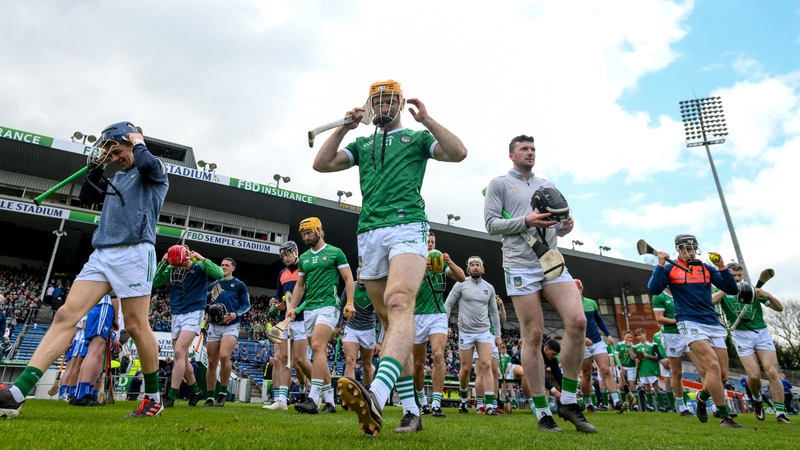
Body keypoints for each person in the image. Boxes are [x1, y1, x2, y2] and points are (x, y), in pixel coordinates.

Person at [312, 79, 468, 436]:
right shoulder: (362, 142)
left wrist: (427, 119)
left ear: (399, 105)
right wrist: (343, 128)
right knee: (390, 323)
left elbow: (458, 152)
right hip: (368, 231)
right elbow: (321, 164)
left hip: (407, 225)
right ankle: (411, 412)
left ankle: (377, 395)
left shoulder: (415, 139)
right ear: (370, 107)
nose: (383, 107)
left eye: (389, 101)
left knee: (400, 303)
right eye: (377, 102)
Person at [0, 122, 168, 419]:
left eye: (117, 151)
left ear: (132, 142)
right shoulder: (117, 175)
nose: (114, 158)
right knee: (66, 315)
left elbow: (144, 160)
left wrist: (138, 140)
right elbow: (89, 197)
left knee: (135, 325)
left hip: (135, 252)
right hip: (102, 253)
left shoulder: (152, 169)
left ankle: (153, 399)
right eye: (110, 154)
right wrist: (93, 172)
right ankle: (17, 393)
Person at [484, 134, 594, 433]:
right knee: (532, 335)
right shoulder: (500, 184)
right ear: (512, 155)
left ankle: (568, 401)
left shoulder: (547, 184)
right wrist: (526, 221)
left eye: (533, 149)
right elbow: (492, 224)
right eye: (524, 149)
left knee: (578, 321)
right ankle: (542, 412)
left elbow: (558, 226)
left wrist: (566, 225)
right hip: (520, 264)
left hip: (550, 261)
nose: (530, 152)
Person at [648, 234, 740, 427]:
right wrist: (659, 265)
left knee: (722, 375)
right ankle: (725, 416)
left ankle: (701, 397)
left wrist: (723, 267)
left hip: (712, 323)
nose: (689, 252)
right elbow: (654, 288)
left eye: (692, 248)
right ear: (678, 250)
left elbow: (732, 289)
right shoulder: (670, 268)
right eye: (685, 248)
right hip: (689, 322)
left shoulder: (706, 269)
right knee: (712, 367)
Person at [286, 217, 355, 415]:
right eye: (303, 234)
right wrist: (292, 307)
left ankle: (312, 399)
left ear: (319, 230)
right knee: (319, 354)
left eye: (309, 233)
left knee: (317, 346)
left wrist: (349, 302)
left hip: (329, 307)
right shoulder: (305, 258)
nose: (306, 237)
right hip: (310, 310)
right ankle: (330, 402)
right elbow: (300, 286)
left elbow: (348, 278)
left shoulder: (335, 253)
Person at [713, 262, 792, 424]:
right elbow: (710, 302)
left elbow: (779, 308)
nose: (737, 278)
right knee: (754, 375)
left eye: (739, 275)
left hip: (761, 332)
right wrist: (726, 288)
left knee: (772, 372)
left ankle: (780, 413)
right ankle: (757, 399)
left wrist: (767, 295)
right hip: (740, 335)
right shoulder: (722, 290)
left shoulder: (751, 289)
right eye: (733, 276)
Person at [153, 245, 223, 408]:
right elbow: (155, 282)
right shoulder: (171, 267)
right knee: (182, 357)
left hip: (194, 312)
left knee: (178, 351)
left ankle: (170, 396)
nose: (176, 266)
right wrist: (163, 263)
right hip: (176, 313)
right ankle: (196, 391)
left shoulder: (200, 267)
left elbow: (219, 274)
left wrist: (201, 258)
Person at [413, 232, 465, 418]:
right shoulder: (413, 261)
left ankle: (436, 403)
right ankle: (422, 401)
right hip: (417, 315)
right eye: (427, 242)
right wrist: (421, 270)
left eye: (433, 242)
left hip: (437, 314)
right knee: (418, 364)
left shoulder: (440, 265)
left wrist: (449, 262)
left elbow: (462, 278)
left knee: (438, 355)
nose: (430, 244)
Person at [446, 256, 502, 416]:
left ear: (482, 269)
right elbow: (448, 304)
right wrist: (445, 325)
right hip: (465, 331)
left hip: (484, 332)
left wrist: (497, 334)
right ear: (468, 269)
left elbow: (493, 312)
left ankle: (489, 406)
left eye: (478, 265)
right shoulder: (461, 284)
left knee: (486, 366)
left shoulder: (489, 288)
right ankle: (463, 400)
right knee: (465, 368)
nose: (475, 267)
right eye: (472, 265)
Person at [264, 241, 313, 411]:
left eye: (288, 254)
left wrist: (294, 308)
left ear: (296, 252)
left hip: (302, 319)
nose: (286, 258)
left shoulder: (305, 269)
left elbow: (310, 295)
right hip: (284, 321)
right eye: (283, 255)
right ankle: (281, 401)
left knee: (300, 360)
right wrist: (278, 303)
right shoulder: (282, 274)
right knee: (282, 359)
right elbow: (278, 294)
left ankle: (318, 391)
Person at [203, 257, 250, 407]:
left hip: (231, 324)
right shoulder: (214, 285)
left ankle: (222, 394)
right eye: (222, 265)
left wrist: (236, 314)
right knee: (211, 362)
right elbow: (205, 303)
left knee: (224, 356)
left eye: (227, 265)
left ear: (233, 268)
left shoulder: (239, 285)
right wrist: (207, 310)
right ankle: (210, 396)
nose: (223, 267)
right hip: (214, 326)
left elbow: (246, 305)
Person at [652, 286, 704, 416]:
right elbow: (659, 318)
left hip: (688, 334)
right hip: (671, 336)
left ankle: (709, 403)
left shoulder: (682, 292)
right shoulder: (659, 295)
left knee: (703, 368)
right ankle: (681, 406)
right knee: (677, 372)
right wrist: (678, 321)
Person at [575, 279, 622, 413]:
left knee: (605, 370)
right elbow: (570, 326)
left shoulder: (591, 303)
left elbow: (599, 320)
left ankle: (616, 400)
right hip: (581, 344)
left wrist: (608, 334)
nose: (576, 291)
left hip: (597, 341)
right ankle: (589, 403)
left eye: (578, 288)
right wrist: (582, 338)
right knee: (587, 374)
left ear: (582, 288)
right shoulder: (570, 305)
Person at [69, 294, 120, 406]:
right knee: (95, 352)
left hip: (96, 308)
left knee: (93, 352)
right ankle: (83, 395)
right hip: (104, 307)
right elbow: (115, 296)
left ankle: (82, 393)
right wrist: (115, 319)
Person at [340, 270, 377, 388]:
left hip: (368, 330)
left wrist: (380, 341)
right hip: (351, 328)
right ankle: (349, 394)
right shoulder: (350, 288)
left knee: (367, 366)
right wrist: (338, 325)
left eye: (364, 274)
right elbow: (342, 305)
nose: (361, 277)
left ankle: (367, 395)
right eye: (359, 274)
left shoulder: (374, 290)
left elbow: (382, 316)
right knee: (350, 361)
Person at [633, 328, 662, 412]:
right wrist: (637, 360)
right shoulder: (636, 347)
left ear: (645, 334)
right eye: (637, 335)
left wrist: (649, 356)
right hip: (643, 369)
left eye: (640, 334)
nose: (639, 337)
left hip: (652, 369)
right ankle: (650, 406)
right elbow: (635, 358)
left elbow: (658, 358)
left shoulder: (652, 345)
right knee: (646, 388)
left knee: (656, 387)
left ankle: (662, 406)